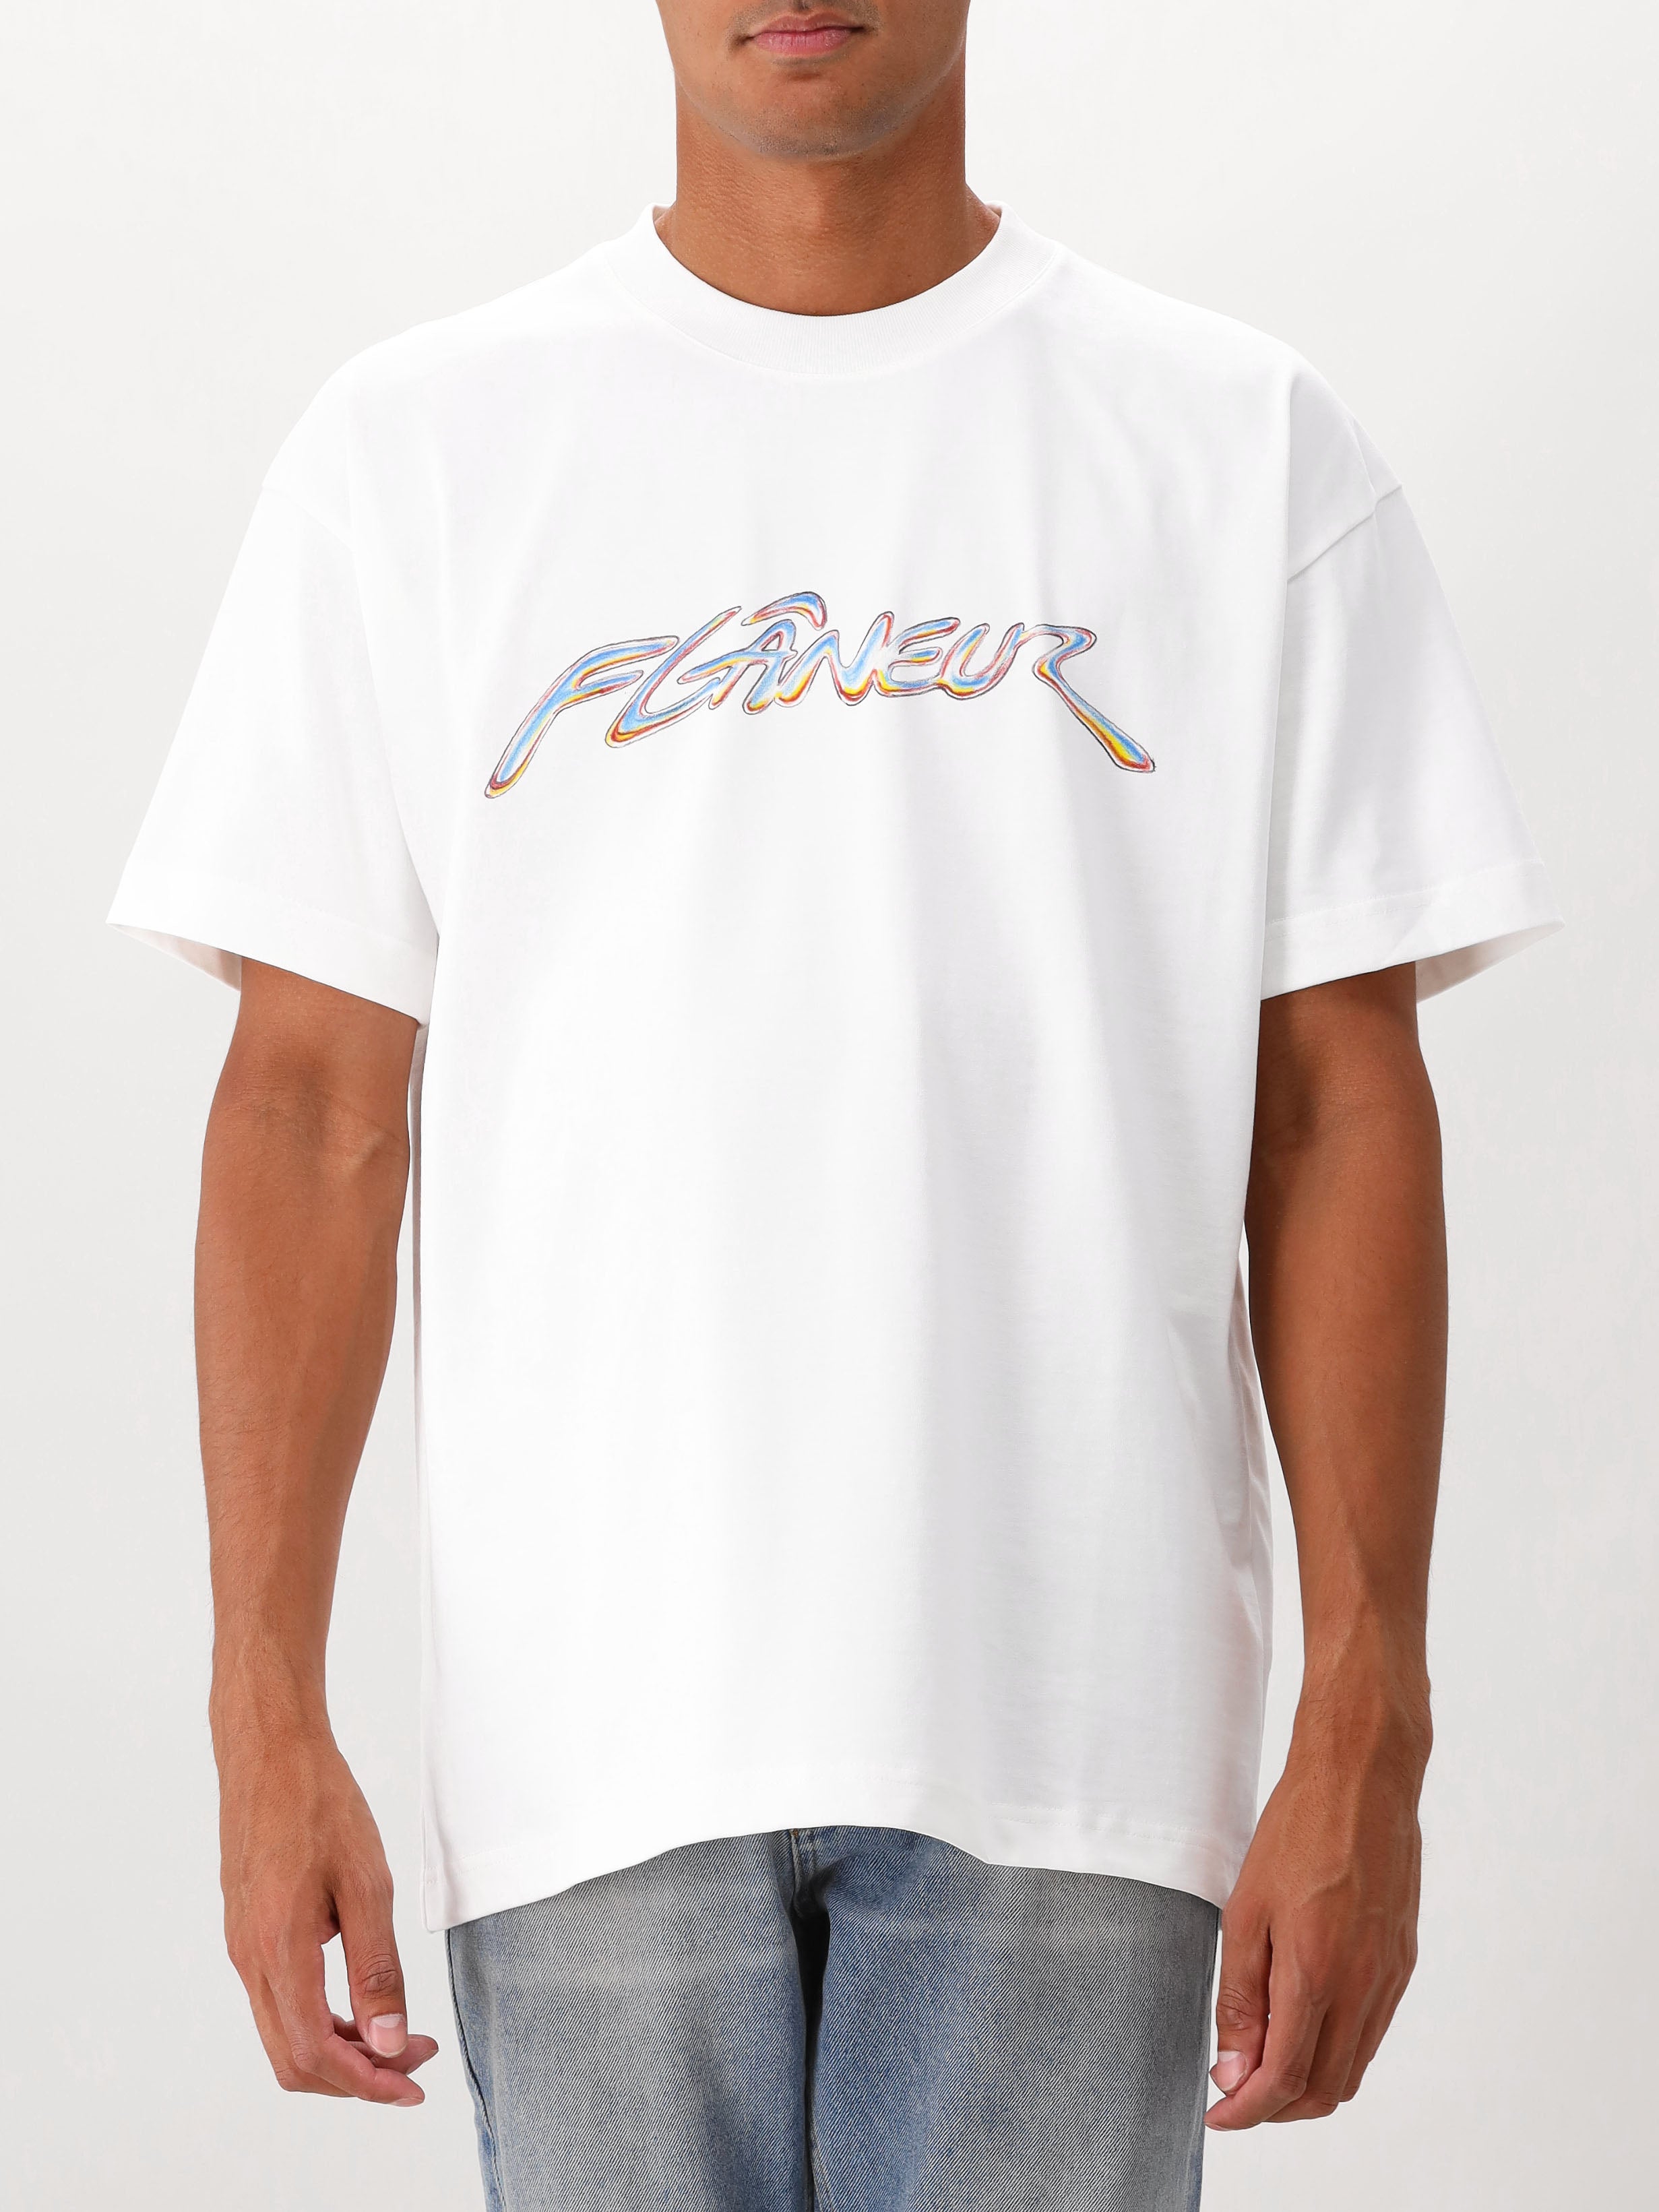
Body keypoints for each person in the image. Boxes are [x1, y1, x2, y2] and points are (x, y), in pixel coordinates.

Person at [110, 3, 1559, 2205]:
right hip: (588, 1745)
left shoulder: (1242, 450)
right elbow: (309, 1109)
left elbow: (1334, 1113)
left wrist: (1373, 1714)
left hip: (1071, 1731)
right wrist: (260, 1709)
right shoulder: (415, 455)